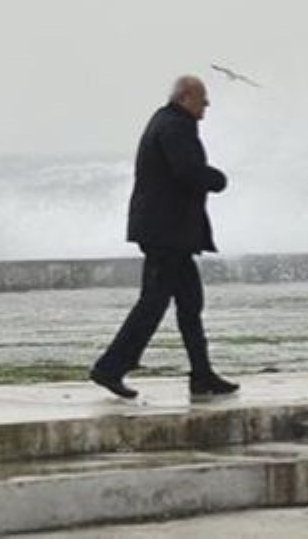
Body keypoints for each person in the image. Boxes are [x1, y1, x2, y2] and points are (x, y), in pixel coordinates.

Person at [90, 75, 239, 401]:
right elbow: (186, 170)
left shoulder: (167, 121)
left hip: (168, 234)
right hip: (166, 234)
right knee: (153, 304)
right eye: (203, 99)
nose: (207, 105)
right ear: (186, 98)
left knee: (189, 304)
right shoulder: (176, 126)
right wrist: (217, 179)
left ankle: (201, 375)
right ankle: (110, 367)